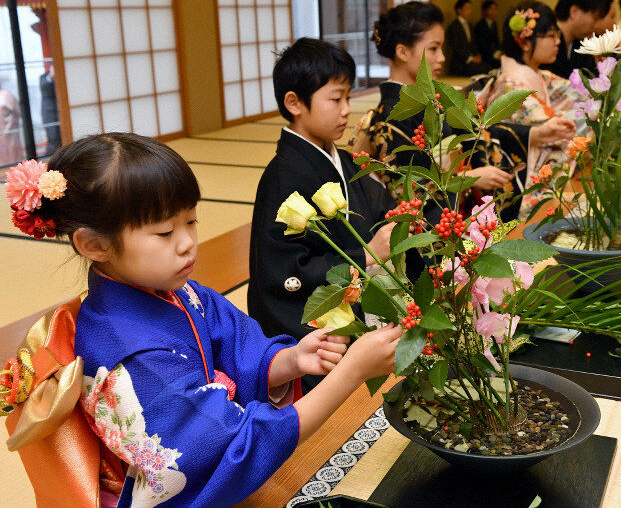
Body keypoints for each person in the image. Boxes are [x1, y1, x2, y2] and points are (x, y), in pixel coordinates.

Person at [3, 134, 402, 506]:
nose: (187, 243)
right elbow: (239, 445)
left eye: (191, 221)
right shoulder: (130, 358)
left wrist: (292, 360)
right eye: (164, 232)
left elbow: (239, 349)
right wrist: (349, 374)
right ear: (95, 245)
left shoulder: (180, 293)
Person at [249, 38, 396, 391]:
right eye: (336, 98)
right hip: (308, 333)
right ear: (294, 103)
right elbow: (286, 271)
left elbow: (381, 210)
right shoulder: (284, 175)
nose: (347, 109)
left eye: (349, 97)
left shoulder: (341, 160)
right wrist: (366, 254)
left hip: (351, 306)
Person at [364, 1, 532, 221]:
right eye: (433, 48)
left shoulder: (433, 99)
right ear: (402, 52)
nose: (442, 57)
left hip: (460, 213)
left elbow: (478, 130)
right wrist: (468, 177)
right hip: (442, 229)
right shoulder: (390, 117)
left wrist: (535, 134)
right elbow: (406, 193)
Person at [478, 2, 586, 220]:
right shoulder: (508, 86)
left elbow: (580, 98)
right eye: (551, 36)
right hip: (519, 191)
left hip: (542, 181)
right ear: (525, 42)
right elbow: (552, 129)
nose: (558, 41)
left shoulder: (540, 76)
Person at [541, 0, 614, 79]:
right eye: (595, 18)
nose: (597, 26)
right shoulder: (544, 41)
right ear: (574, 12)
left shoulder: (581, 45)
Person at [445, 0, 491, 76]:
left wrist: (477, 55)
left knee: (488, 68)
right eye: (467, 8)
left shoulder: (469, 25)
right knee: (483, 70)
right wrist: (470, 58)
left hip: (471, 59)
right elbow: (456, 47)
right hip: (460, 62)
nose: (470, 11)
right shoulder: (454, 26)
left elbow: (473, 43)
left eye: (470, 8)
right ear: (459, 10)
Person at [474, 0, 502, 70]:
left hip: (493, 54)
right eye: (491, 9)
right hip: (484, 55)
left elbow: (496, 41)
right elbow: (481, 44)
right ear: (485, 11)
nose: (494, 12)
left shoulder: (494, 24)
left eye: (495, 9)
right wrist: (495, 55)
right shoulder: (480, 25)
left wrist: (499, 52)